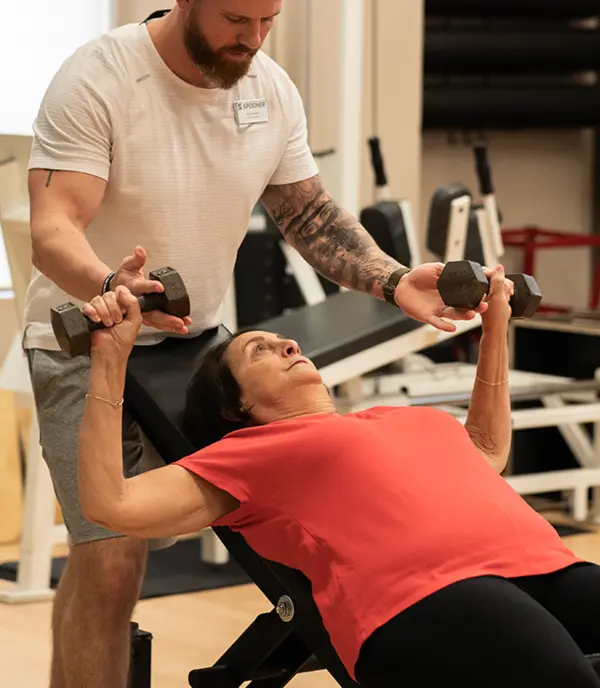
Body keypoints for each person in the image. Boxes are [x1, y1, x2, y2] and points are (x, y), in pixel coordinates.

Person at [24, 0, 488, 688]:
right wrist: (111, 285)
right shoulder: (102, 76)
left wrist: (386, 275)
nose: (253, 39)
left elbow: (305, 209)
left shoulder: (267, 88)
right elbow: (54, 225)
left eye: (268, 21)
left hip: (200, 348)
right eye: (237, 19)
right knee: (111, 554)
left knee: (294, 525)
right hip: (88, 337)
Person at [77, 267, 600, 688]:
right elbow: (113, 504)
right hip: (424, 598)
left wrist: (493, 330)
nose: (287, 346)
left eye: (284, 342)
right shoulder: (248, 453)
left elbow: (486, 448)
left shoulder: (402, 418)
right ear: (237, 406)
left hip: (545, 569)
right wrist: (109, 360)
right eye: (258, 349)